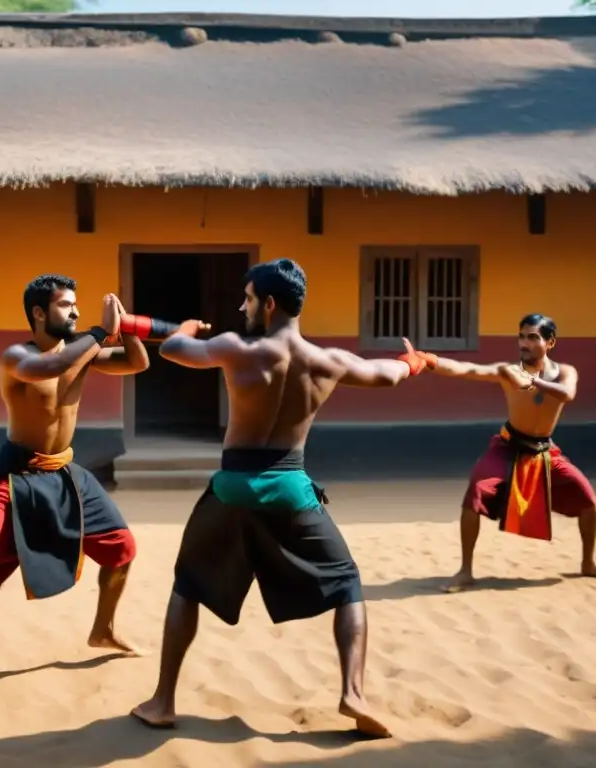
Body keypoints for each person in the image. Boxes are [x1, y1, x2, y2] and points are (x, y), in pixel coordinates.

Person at [130, 258, 428, 739]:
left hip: (233, 488)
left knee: (188, 584)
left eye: (247, 299)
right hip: (290, 489)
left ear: (268, 304)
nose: (241, 307)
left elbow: (178, 350)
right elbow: (387, 374)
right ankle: (353, 693)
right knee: (347, 584)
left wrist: (182, 330)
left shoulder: (236, 349)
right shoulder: (327, 361)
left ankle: (163, 701)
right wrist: (414, 361)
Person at [0, 275, 164, 709]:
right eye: (66, 306)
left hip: (65, 473)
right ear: (39, 313)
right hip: (17, 476)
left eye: (77, 306)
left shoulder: (82, 351)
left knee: (123, 548)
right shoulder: (18, 357)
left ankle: (103, 629)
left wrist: (127, 327)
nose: (76, 313)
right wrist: (100, 333)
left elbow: (137, 365)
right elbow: (51, 368)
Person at [407, 314, 596, 592]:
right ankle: (465, 571)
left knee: (590, 503)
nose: (524, 343)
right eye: (521, 336)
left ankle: (588, 563)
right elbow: (467, 369)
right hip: (508, 446)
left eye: (532, 337)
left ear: (550, 342)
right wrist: (427, 360)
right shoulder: (508, 371)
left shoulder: (565, 372)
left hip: (545, 450)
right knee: (475, 494)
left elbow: (567, 394)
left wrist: (534, 383)